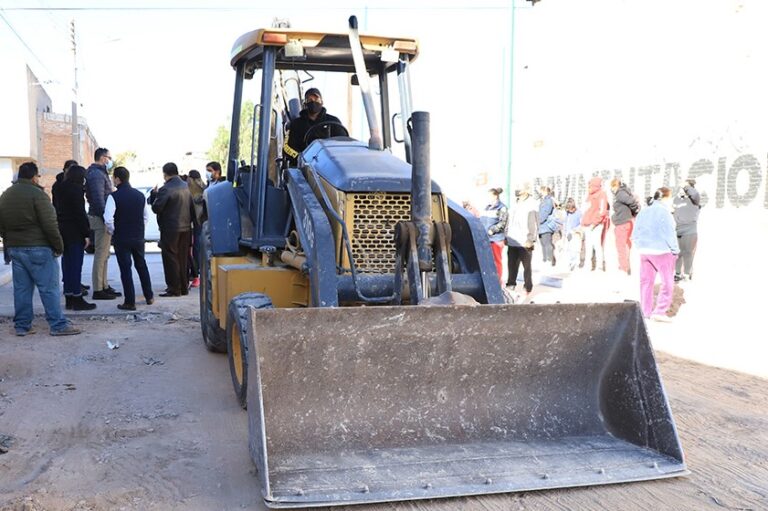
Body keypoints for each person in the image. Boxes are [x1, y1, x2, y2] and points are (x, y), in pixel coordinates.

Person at [0, 162, 80, 336]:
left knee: (21, 289)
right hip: (39, 248)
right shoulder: (38, 194)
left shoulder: (6, 195)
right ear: (34, 177)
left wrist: (9, 243)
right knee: (49, 288)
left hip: (16, 248)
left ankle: (22, 326)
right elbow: (50, 224)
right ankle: (58, 325)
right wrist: (58, 246)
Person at [104, 166, 154, 311]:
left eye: (113, 178)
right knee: (141, 265)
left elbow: (108, 218)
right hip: (138, 236)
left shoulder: (113, 197)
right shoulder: (140, 195)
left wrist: (113, 231)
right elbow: (145, 217)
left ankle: (130, 301)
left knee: (125, 269)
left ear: (117, 179)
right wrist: (138, 228)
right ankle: (149, 296)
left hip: (122, 237)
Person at [632, 187, 679, 322]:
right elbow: (669, 232)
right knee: (667, 281)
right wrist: (675, 250)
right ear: (666, 198)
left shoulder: (644, 211)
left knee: (646, 282)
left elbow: (636, 231)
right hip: (662, 250)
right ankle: (660, 311)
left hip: (644, 251)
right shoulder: (665, 212)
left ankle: (645, 311)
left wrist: (639, 245)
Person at [149, 162, 194, 297]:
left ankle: (174, 288)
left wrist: (154, 194)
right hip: (186, 227)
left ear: (165, 174)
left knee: (170, 258)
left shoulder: (165, 189)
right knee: (183, 258)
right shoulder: (186, 186)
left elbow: (156, 208)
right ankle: (184, 287)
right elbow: (192, 207)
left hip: (170, 228)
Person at [55, 164, 96, 311]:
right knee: (76, 265)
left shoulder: (59, 188)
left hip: (63, 230)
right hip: (75, 232)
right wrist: (86, 234)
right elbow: (80, 214)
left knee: (67, 264)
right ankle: (77, 298)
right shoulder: (76, 190)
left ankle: (69, 297)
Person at [85, 147, 121, 300]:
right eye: (109, 158)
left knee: (105, 254)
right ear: (103, 158)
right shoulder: (96, 174)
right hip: (100, 218)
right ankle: (98, 289)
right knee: (101, 254)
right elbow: (99, 199)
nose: (110, 160)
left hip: (103, 217)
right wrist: (106, 218)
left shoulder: (100, 173)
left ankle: (104, 285)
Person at [283, 88, 346, 166]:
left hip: (329, 165)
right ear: (305, 103)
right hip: (304, 166)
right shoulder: (296, 124)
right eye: (310, 100)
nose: (313, 102)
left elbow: (343, 143)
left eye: (316, 99)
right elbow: (288, 148)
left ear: (322, 102)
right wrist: (301, 158)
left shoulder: (334, 121)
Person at [505, 183, 539, 303]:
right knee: (511, 265)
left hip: (525, 241)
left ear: (526, 190)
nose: (517, 190)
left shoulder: (532, 204)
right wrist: (506, 235)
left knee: (526, 267)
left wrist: (531, 239)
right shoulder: (515, 203)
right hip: (512, 239)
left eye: (520, 189)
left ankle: (527, 287)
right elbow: (509, 221)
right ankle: (510, 285)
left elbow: (534, 223)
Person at [610, 178, 640, 275]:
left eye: (613, 186)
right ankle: (626, 265)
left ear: (616, 186)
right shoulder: (624, 192)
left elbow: (631, 201)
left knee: (621, 246)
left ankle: (623, 267)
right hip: (626, 222)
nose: (612, 189)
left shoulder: (620, 193)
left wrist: (635, 210)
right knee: (626, 244)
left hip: (622, 223)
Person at [672, 179, 701, 281]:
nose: (683, 189)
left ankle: (687, 274)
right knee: (678, 253)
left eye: (686, 187)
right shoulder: (678, 199)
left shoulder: (695, 199)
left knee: (688, 253)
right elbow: (674, 209)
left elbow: (694, 194)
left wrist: (686, 186)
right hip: (678, 229)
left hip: (690, 229)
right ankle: (678, 273)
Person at [581, 176, 609, 272]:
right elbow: (586, 209)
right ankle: (588, 265)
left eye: (590, 186)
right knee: (588, 245)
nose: (588, 188)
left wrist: (595, 223)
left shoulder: (602, 194)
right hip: (587, 224)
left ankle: (599, 266)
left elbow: (602, 211)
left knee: (596, 245)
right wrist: (583, 222)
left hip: (596, 224)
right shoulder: (589, 195)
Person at [480, 187, 508, 282]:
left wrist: (492, 230)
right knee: (487, 261)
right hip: (486, 239)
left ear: (495, 196)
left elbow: (502, 222)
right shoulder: (487, 208)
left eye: (489, 196)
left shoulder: (502, 208)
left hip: (496, 239)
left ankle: (498, 282)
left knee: (496, 261)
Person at [186, 169, 205, 288]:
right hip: (196, 223)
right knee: (195, 249)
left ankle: (196, 275)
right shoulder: (203, 187)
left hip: (197, 223)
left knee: (195, 250)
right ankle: (195, 274)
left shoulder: (198, 189)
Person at [537, 185, 557, 266]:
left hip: (546, 226)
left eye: (541, 192)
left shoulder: (548, 200)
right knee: (543, 244)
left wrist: (539, 220)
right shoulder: (543, 200)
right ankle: (545, 260)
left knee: (547, 244)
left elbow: (545, 213)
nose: (540, 193)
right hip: (541, 226)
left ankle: (550, 260)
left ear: (544, 191)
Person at [562, 198, 583, 271]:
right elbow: (565, 222)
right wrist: (564, 232)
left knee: (575, 249)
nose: (569, 211)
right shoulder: (567, 213)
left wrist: (575, 229)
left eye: (570, 210)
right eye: (568, 210)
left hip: (575, 234)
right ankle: (571, 262)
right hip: (568, 234)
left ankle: (575, 263)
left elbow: (582, 224)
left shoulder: (579, 213)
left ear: (574, 208)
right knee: (569, 249)